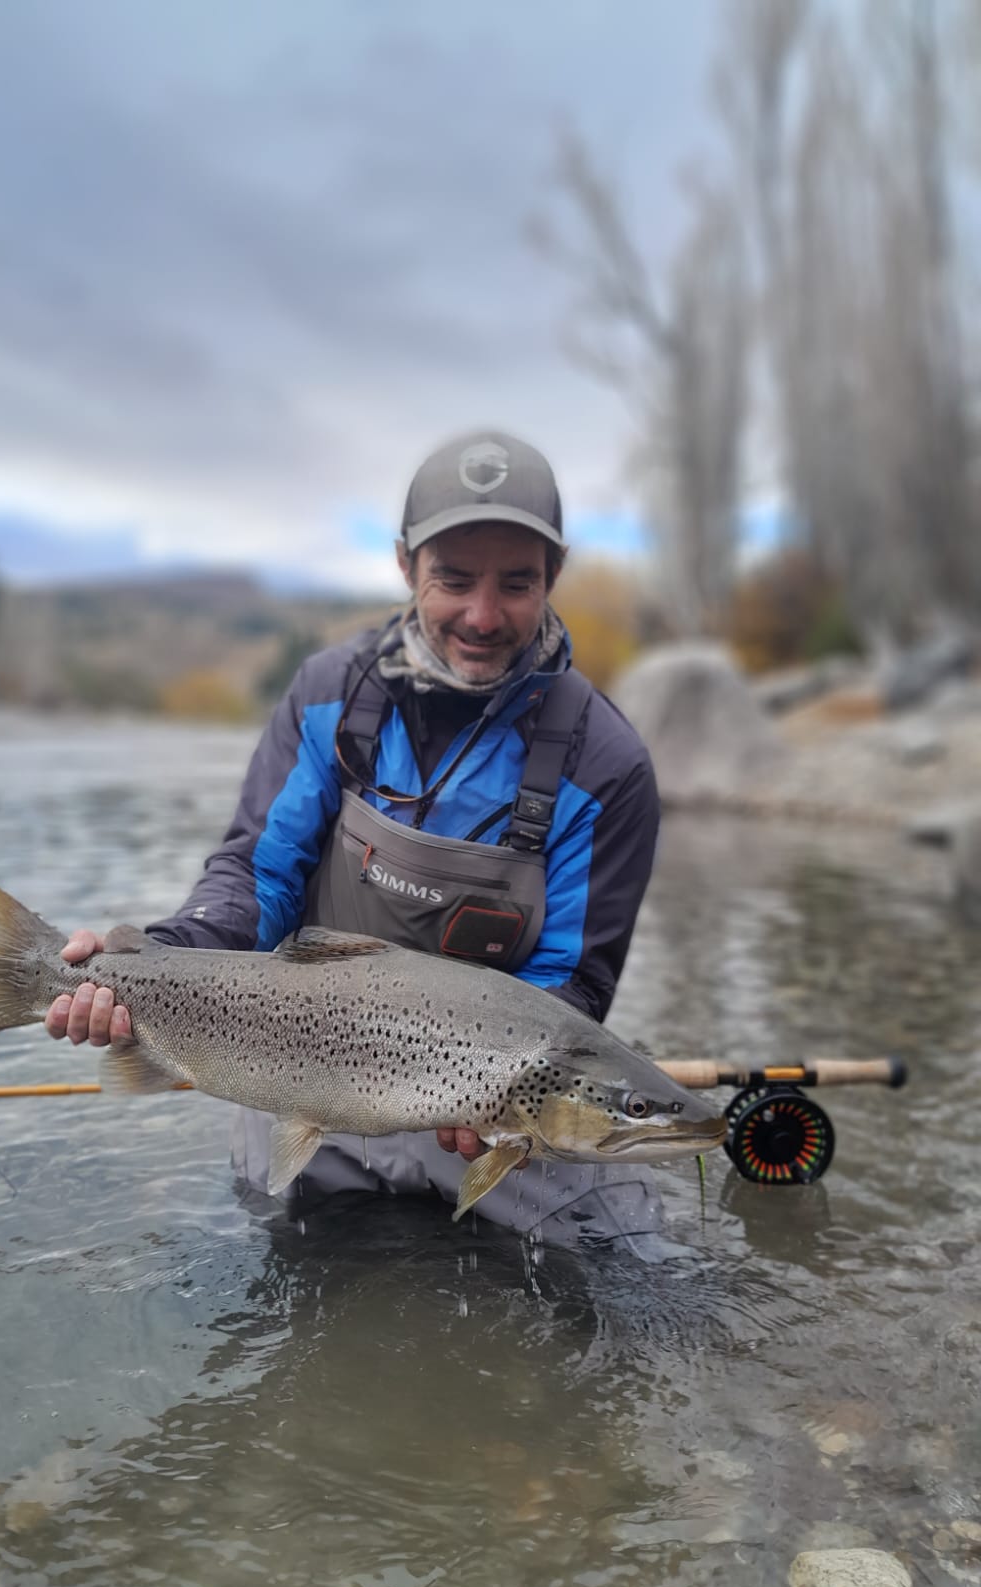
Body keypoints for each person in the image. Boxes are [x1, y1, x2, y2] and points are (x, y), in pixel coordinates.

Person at [47, 430, 664, 1247]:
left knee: (617, 1272)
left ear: (553, 575)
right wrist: (156, 955)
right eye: (453, 579)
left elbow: (571, 989)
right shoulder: (332, 695)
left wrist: (497, 1107)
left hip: (486, 1111)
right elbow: (256, 881)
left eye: (516, 583)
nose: (483, 615)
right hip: (305, 1079)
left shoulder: (607, 766)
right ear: (407, 566)